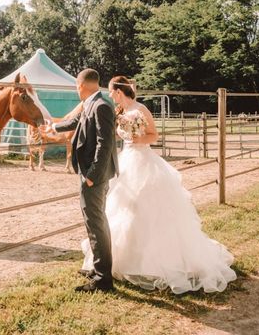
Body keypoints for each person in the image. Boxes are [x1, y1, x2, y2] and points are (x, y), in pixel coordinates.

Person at [79, 75, 236, 294]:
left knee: (147, 209)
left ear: (117, 91)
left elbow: (154, 135)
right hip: (126, 161)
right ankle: (116, 261)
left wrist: (136, 138)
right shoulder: (120, 112)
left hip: (143, 160)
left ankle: (154, 263)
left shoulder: (140, 109)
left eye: (111, 92)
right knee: (122, 208)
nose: (110, 96)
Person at [46, 68, 119, 292]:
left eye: (76, 86)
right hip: (89, 174)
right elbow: (76, 121)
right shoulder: (92, 103)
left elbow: (104, 144)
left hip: (93, 176)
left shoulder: (102, 106)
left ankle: (102, 279)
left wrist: (92, 177)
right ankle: (98, 268)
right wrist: (53, 127)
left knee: (96, 222)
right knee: (93, 221)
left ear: (81, 86)